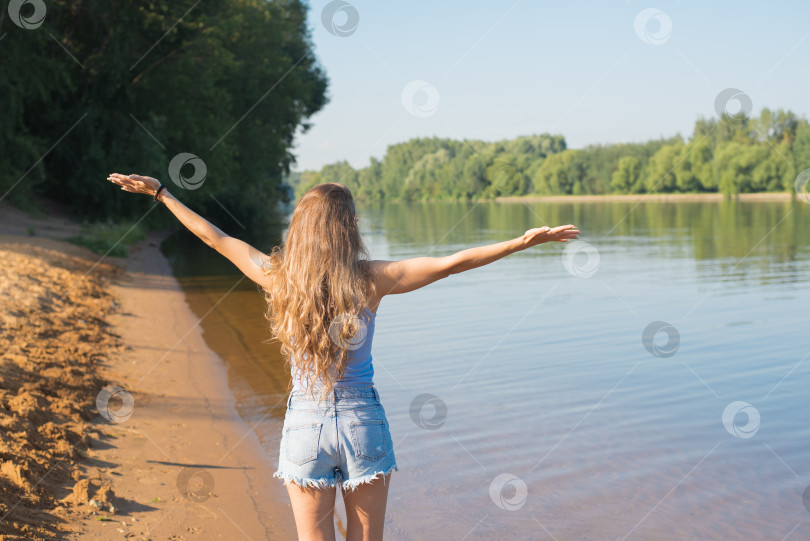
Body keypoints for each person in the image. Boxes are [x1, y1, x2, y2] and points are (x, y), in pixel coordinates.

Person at [106, 173, 579, 540]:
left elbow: (216, 238)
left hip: (304, 430)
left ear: (301, 229)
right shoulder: (372, 278)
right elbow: (451, 263)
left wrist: (162, 193)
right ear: (348, 228)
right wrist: (519, 243)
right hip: (362, 424)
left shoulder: (278, 276)